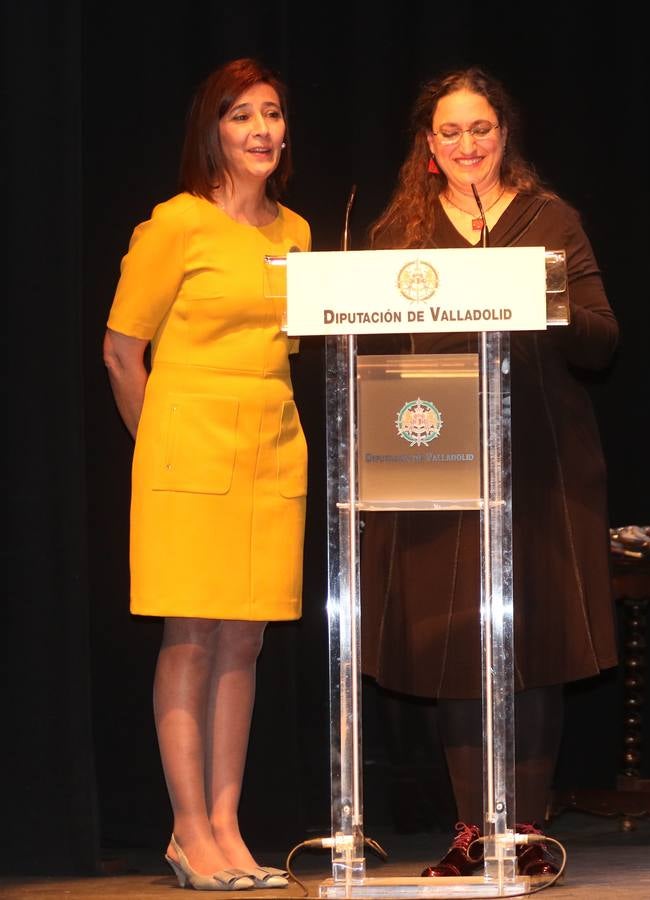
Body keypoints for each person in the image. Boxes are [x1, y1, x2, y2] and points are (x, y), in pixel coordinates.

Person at [360, 65, 619, 878]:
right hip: (434, 458)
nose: (466, 144)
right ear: (427, 147)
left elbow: (601, 340)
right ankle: (471, 828)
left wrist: (542, 299)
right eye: (449, 131)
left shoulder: (549, 219)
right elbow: (365, 344)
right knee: (452, 649)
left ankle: (527, 828)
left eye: (479, 128)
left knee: (533, 641)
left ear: (503, 134)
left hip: (543, 464)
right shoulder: (400, 232)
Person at [103, 58, 311, 891]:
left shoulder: (295, 231)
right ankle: (187, 831)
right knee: (190, 637)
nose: (261, 130)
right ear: (212, 131)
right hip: (187, 440)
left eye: (271, 114)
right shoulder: (176, 225)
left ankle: (228, 827)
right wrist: (162, 442)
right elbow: (122, 353)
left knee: (247, 640)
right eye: (241, 117)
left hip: (271, 440)